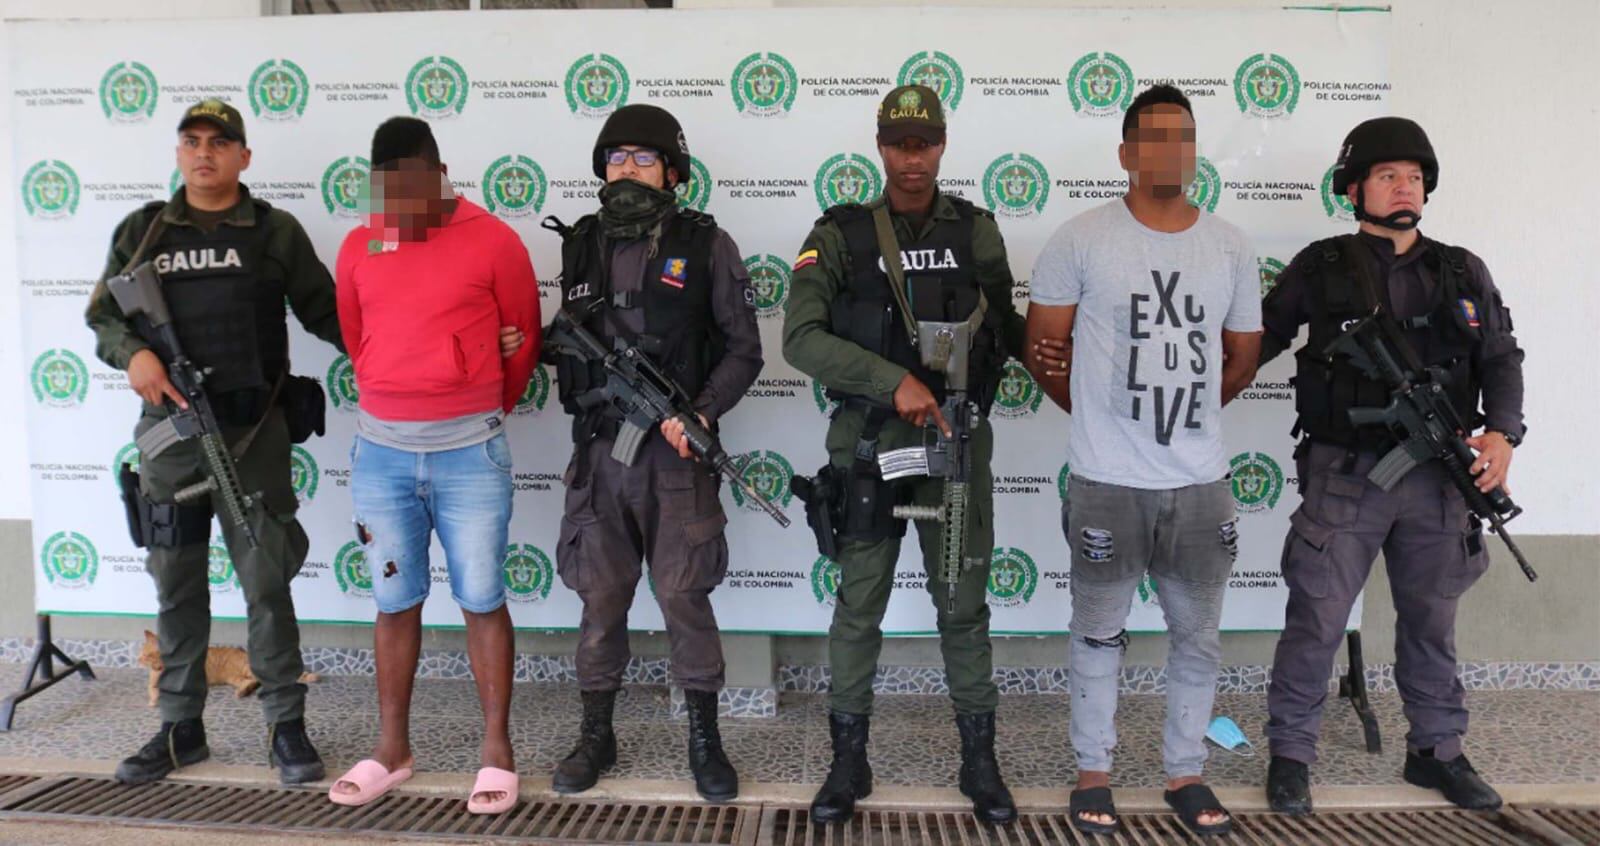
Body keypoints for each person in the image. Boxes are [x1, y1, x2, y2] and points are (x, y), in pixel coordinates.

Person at [1260, 117, 1526, 815]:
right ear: (1355, 189)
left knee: (1431, 621)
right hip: (1346, 474)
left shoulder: (1462, 269)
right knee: (1317, 617)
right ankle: (1290, 753)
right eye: (1386, 175)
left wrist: (1502, 436)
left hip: (1440, 481)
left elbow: (1500, 358)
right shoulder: (1320, 266)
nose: (1402, 186)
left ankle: (1435, 751)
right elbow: (1255, 339)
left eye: (1412, 176)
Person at [783, 84, 1025, 826]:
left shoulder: (977, 231)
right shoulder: (840, 234)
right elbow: (801, 339)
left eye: (923, 143)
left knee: (961, 603)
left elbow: (1005, 331)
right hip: (869, 447)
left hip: (952, 445)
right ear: (880, 145)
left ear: (942, 144)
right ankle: (848, 761)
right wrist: (895, 383)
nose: (911, 157)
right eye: (898, 143)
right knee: (859, 608)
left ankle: (978, 760)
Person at [1025, 84, 1261, 837]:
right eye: (1153, 137)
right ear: (1125, 153)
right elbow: (1044, 351)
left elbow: (1241, 357)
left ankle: (1185, 772)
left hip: (1201, 486)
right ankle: (1094, 770)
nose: (1170, 150)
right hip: (1106, 484)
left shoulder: (1229, 246)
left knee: (1198, 638)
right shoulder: (1081, 238)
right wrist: (1103, 418)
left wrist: (1182, 423)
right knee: (1098, 632)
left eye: (1183, 136)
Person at [86, 99, 340, 786]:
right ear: (179, 153)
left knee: (266, 579)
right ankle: (179, 728)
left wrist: (406, 358)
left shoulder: (272, 232)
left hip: (252, 433)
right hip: (171, 438)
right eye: (192, 141)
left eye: (221, 143)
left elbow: (330, 313)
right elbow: (105, 318)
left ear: (244, 158)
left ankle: (286, 723)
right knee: (176, 584)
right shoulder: (143, 232)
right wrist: (132, 355)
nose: (205, 153)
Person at [545, 104, 763, 803]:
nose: (628, 169)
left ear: (674, 171)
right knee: (601, 600)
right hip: (598, 454)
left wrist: (698, 412)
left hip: (674, 458)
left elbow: (744, 349)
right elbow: (563, 335)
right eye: (616, 157)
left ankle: (705, 739)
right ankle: (595, 735)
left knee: (683, 596)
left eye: (644, 157)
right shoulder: (579, 244)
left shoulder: (707, 244)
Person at [327, 117, 540, 814]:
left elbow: (523, 341)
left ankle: (496, 751)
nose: (398, 199)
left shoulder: (495, 240)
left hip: (469, 452)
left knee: (481, 597)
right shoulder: (360, 243)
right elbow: (357, 338)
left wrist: (477, 397)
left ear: (440, 172)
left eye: (411, 183)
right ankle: (392, 749)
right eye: (387, 185)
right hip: (382, 454)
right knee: (393, 601)